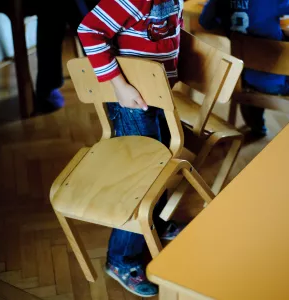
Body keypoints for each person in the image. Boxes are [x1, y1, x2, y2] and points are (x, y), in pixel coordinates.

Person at [78, 0, 183, 297]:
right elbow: (89, 29)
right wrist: (119, 85)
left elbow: (172, 28)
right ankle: (121, 258)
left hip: (156, 92)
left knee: (160, 163)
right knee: (142, 177)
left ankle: (154, 221)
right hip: (132, 102)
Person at [199, 0, 289, 139]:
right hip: (281, 81)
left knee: (253, 64)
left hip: (244, 77)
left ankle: (256, 127)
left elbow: (205, 21)